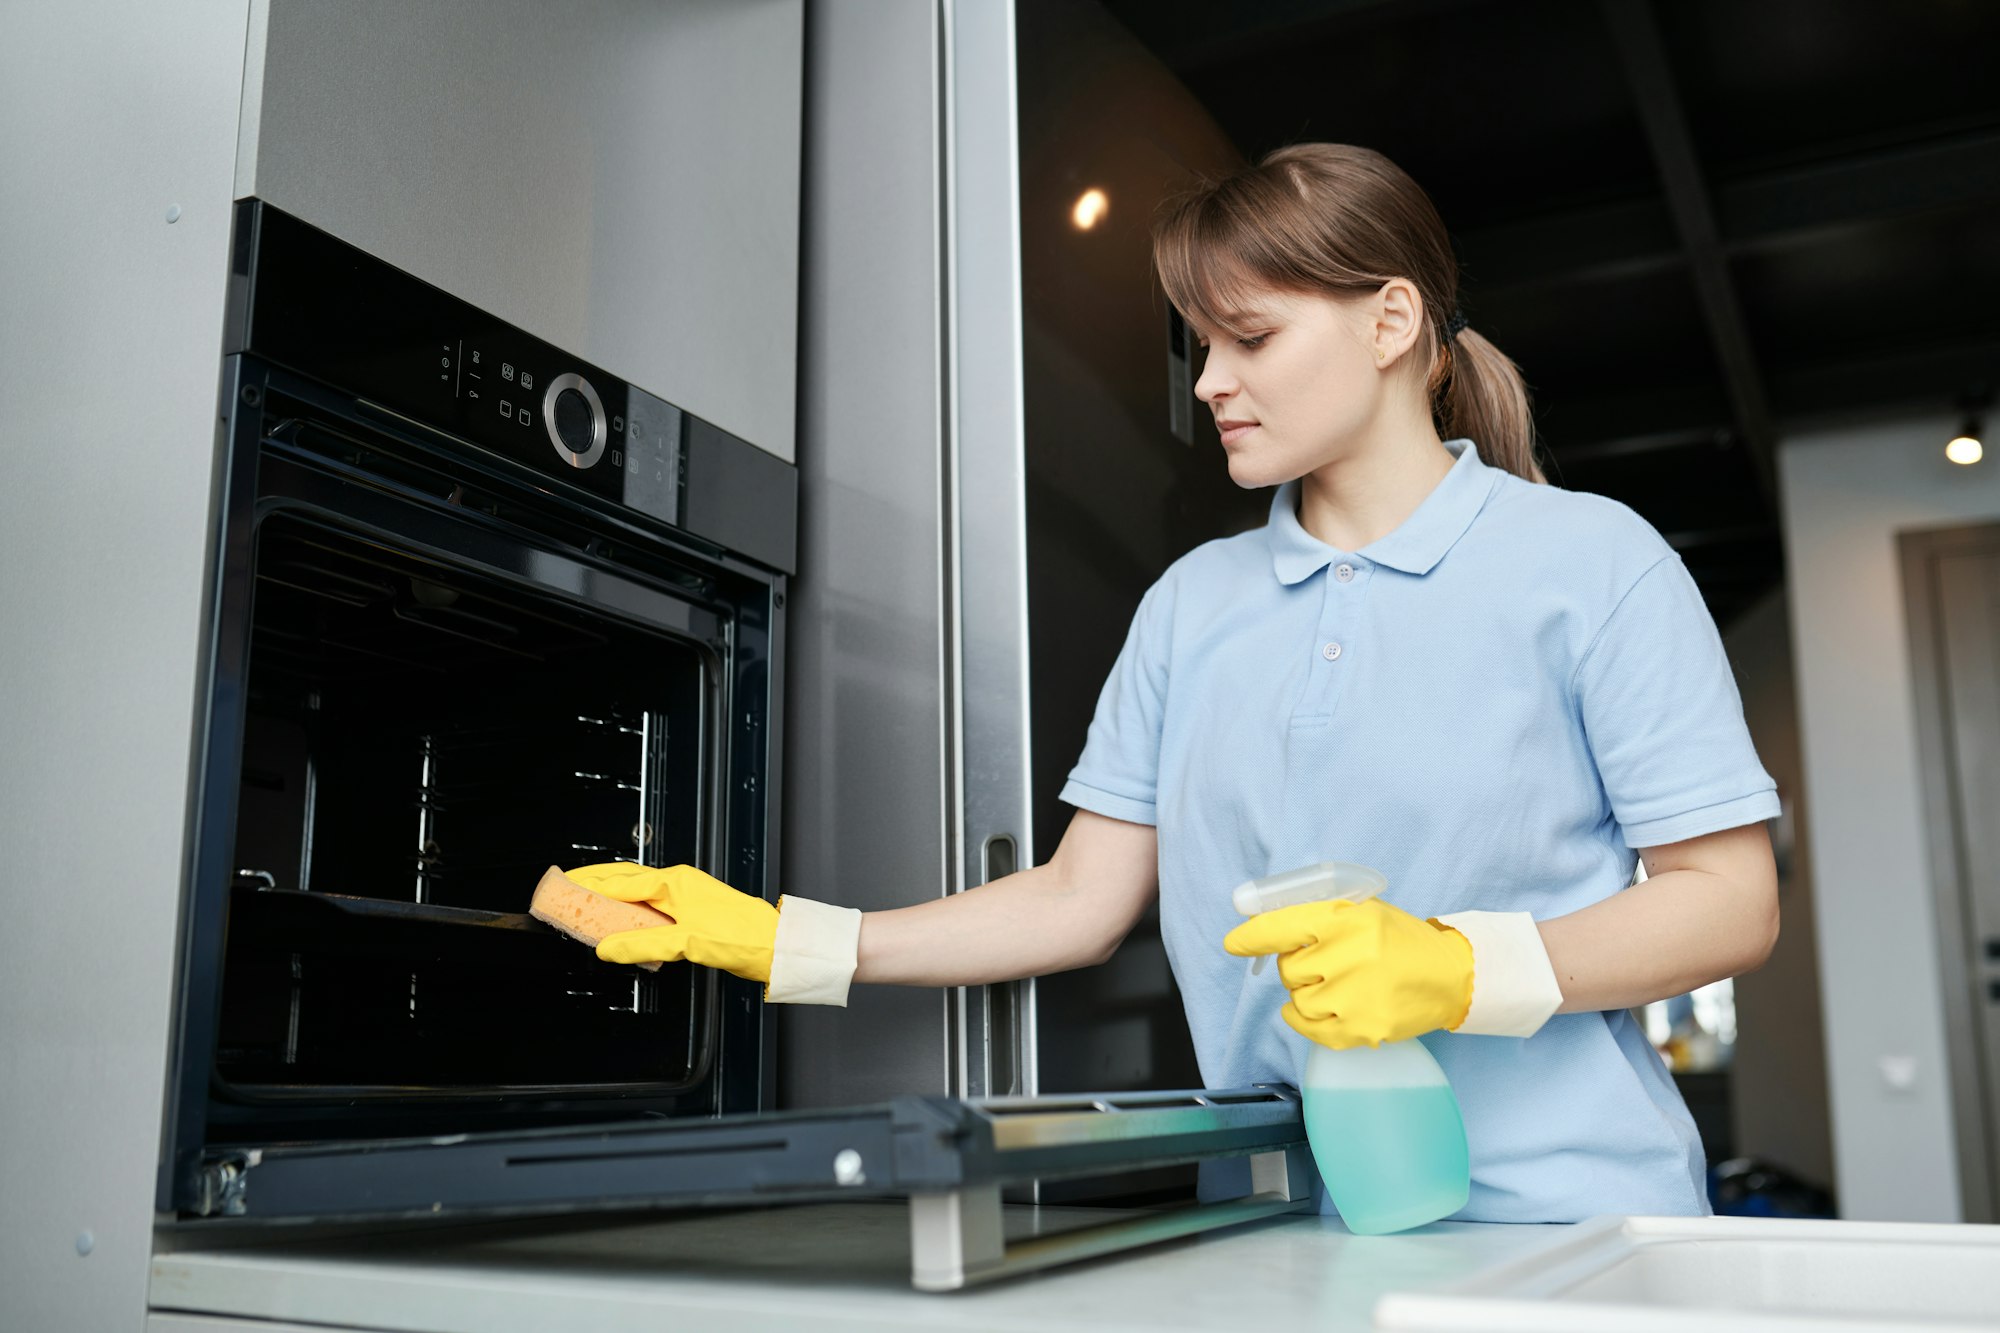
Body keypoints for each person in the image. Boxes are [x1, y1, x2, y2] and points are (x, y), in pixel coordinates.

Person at [568, 142, 1781, 1224]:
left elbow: (1728, 900)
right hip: (1271, 1224)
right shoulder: (1191, 604)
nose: (1207, 382)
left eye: (1249, 338)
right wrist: (787, 940)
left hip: (1573, 1223)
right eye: (1202, 344)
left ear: (1390, 320)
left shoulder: (1589, 560)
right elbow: (1075, 900)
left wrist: (1461, 969)